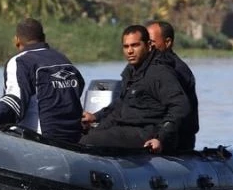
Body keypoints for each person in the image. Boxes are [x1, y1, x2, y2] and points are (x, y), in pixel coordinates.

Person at [80, 24, 191, 153]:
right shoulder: (131, 71)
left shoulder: (160, 72)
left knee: (90, 141)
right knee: (83, 135)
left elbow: (180, 106)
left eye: (135, 45)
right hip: (126, 127)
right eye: (126, 46)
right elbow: (120, 105)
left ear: (148, 45)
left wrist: (160, 138)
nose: (130, 51)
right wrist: (96, 118)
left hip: (148, 132)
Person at [0, 18, 85, 143]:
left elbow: (14, 100)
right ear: (43, 37)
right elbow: (78, 88)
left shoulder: (20, 61)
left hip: (42, 139)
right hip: (74, 136)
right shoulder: (62, 59)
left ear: (17, 40)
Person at [145, 19, 199, 151]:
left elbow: (179, 110)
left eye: (151, 43)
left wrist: (161, 137)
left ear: (167, 42)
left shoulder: (177, 70)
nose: (148, 47)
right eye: (145, 43)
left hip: (176, 141)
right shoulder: (147, 69)